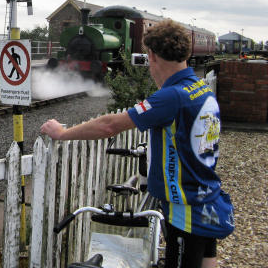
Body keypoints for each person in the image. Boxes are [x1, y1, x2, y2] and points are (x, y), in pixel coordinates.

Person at [40, 19, 234, 268]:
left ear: (151, 56)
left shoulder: (172, 97)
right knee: (206, 260)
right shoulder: (200, 89)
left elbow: (109, 125)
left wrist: (62, 133)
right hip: (206, 197)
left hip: (184, 207)